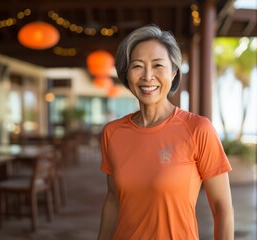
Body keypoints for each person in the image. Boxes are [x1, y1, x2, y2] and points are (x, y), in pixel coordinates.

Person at [98, 24, 234, 240]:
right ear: (127, 74)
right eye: (138, 66)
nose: (147, 76)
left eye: (158, 65)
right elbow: (113, 200)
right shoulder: (112, 133)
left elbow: (222, 208)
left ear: (173, 73)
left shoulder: (198, 129)